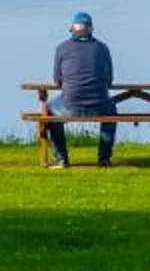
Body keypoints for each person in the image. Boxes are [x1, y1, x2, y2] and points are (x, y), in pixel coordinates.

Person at [45, 10, 118, 168]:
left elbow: (57, 81)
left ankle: (61, 158)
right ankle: (104, 158)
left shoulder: (62, 48)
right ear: (91, 29)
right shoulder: (103, 48)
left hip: (70, 105)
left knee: (49, 110)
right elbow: (110, 80)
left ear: (72, 28)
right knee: (111, 111)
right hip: (99, 104)